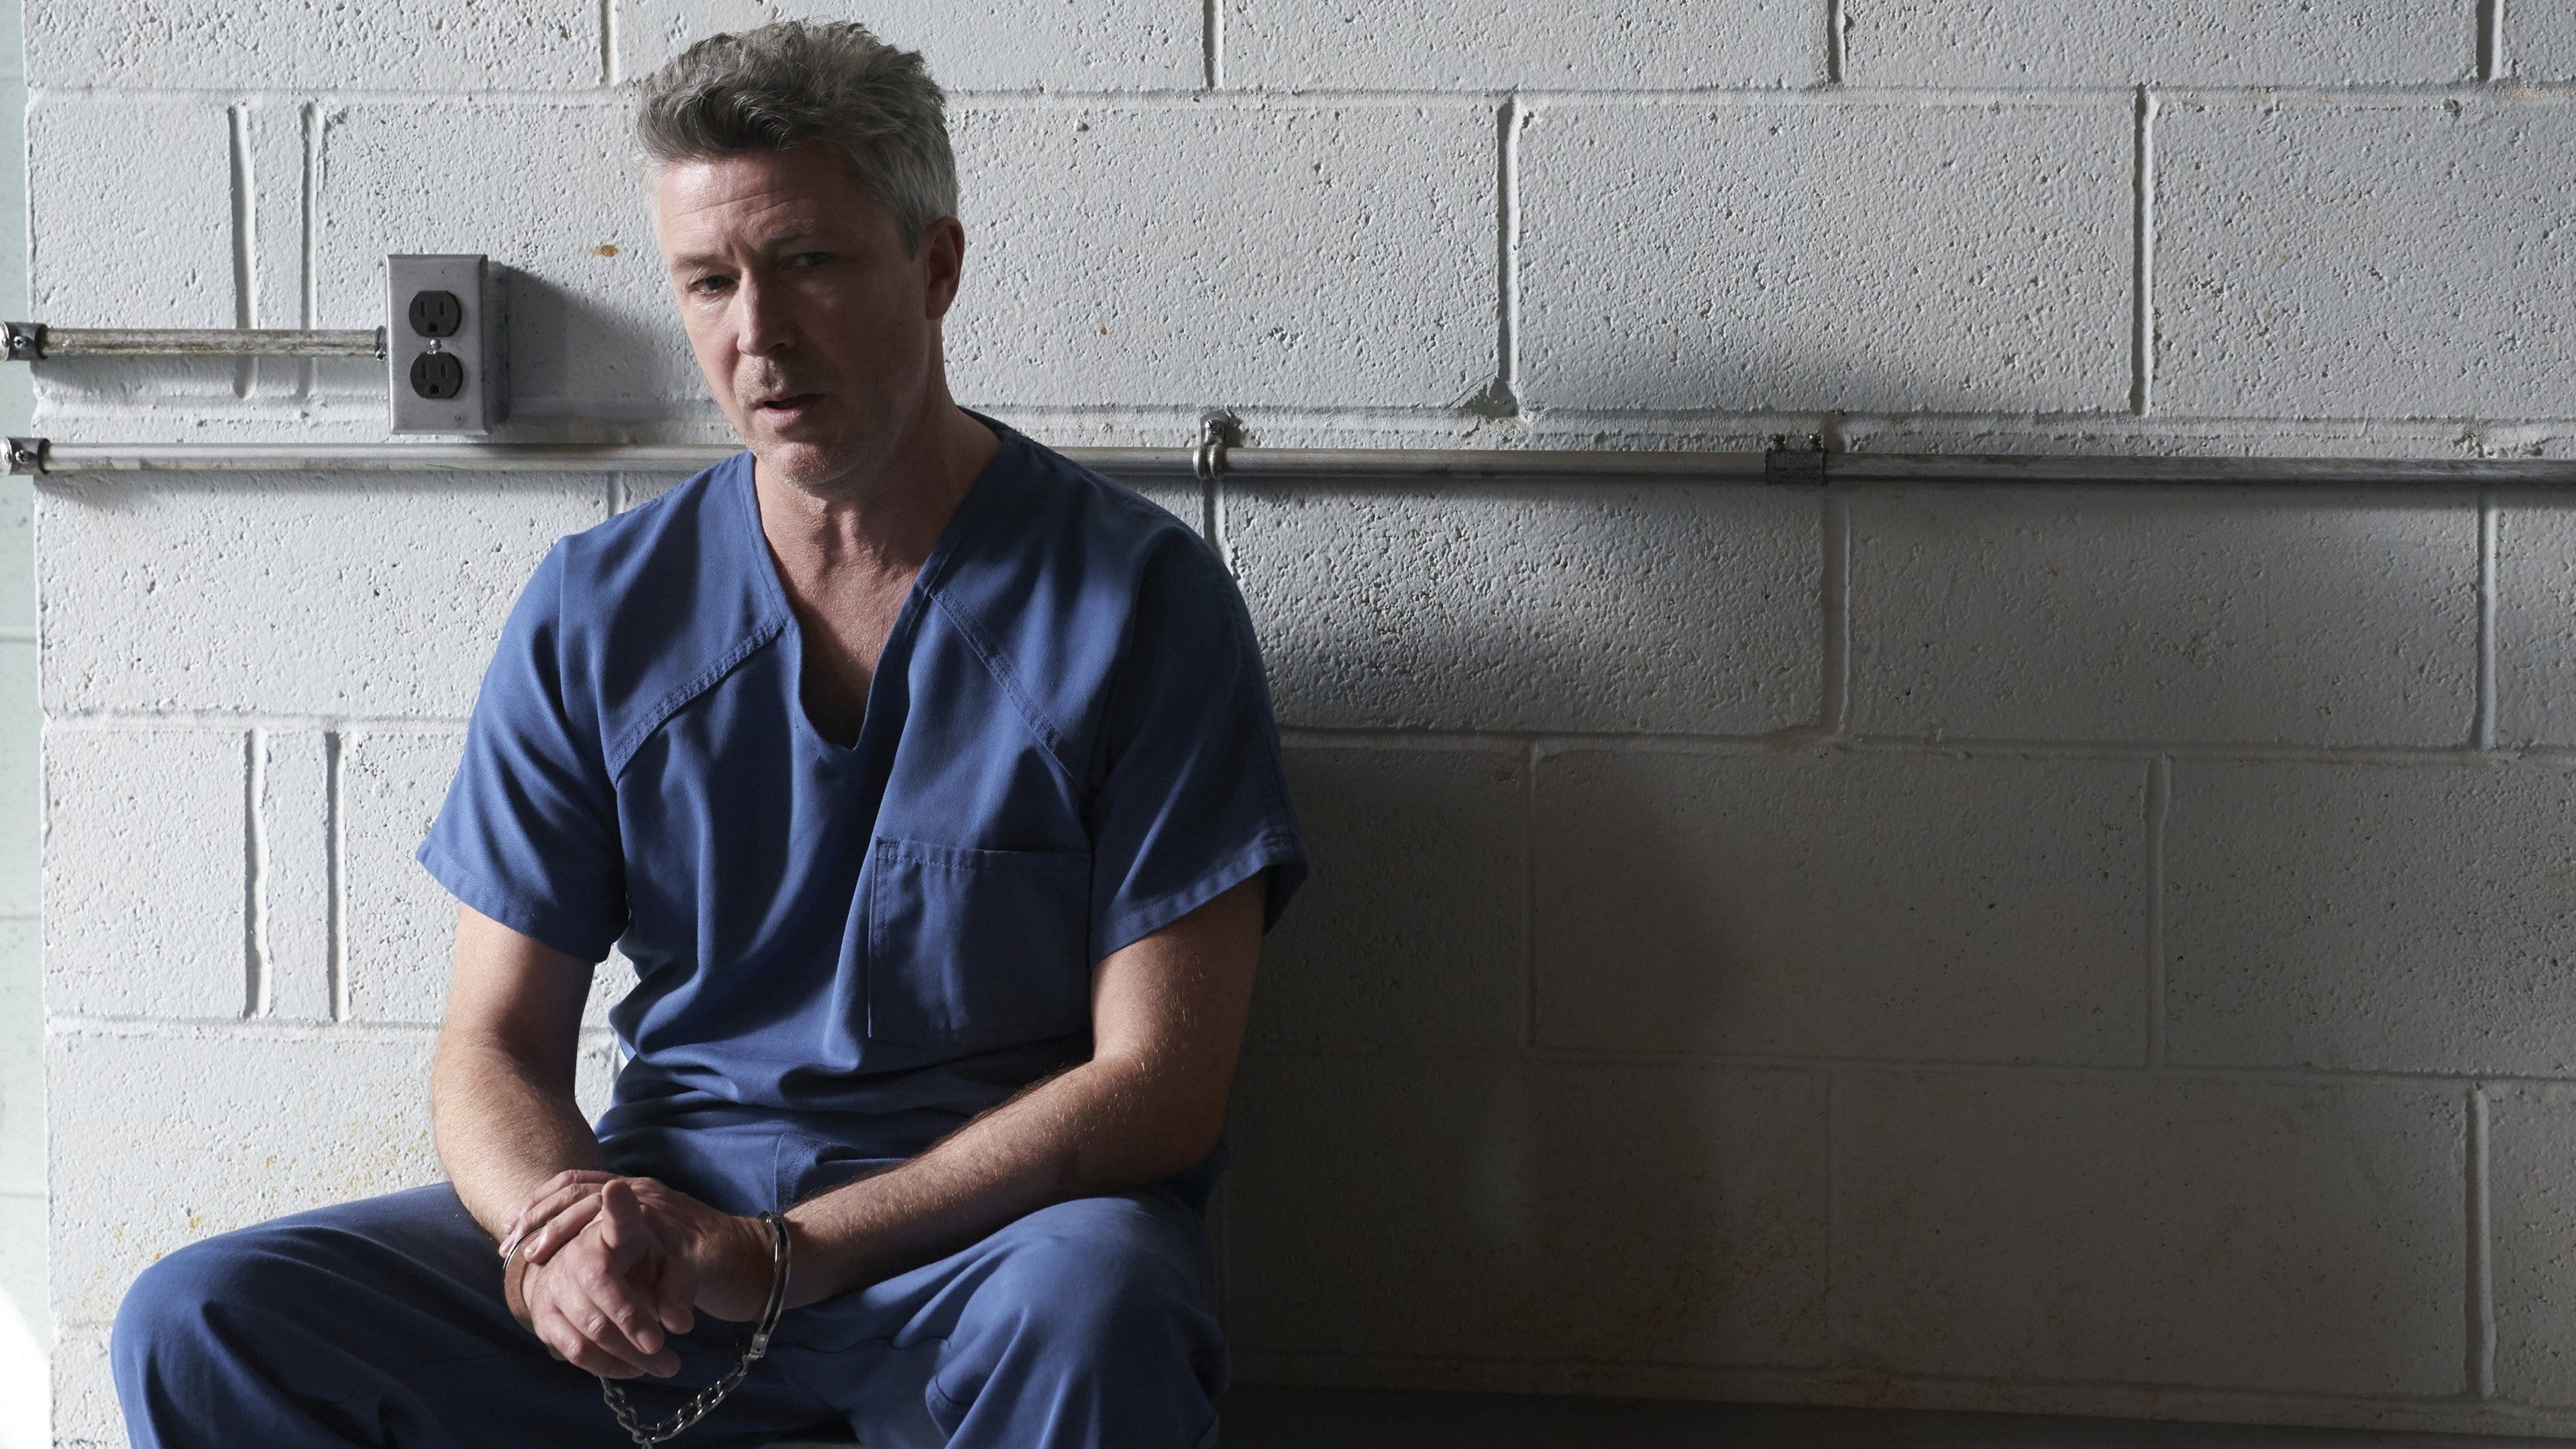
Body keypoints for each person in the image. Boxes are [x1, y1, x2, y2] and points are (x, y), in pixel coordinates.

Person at [107, 20, 1306, 1449]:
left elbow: (1162, 1090)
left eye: (808, 262)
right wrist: (558, 1235)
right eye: (710, 280)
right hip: (674, 1250)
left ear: (936, 267)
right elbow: (493, 1043)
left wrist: (793, 1253)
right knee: (203, 1319)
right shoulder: (601, 611)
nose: (759, 334)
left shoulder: (1138, 602)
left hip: (978, 1261)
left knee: (1103, 1303)